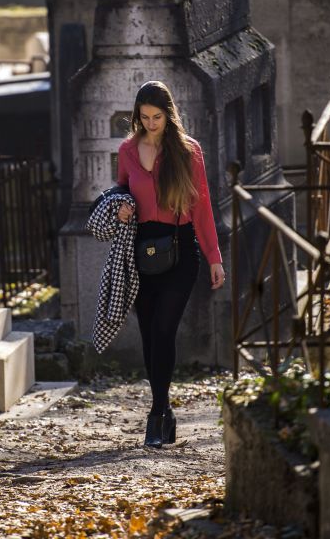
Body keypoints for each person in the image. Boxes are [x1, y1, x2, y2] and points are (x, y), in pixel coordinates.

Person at [115, 80, 225, 448]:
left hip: (180, 251)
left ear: (169, 114)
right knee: (149, 334)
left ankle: (157, 415)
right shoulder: (128, 151)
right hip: (140, 251)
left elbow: (203, 207)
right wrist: (121, 206)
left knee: (164, 329)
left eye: (157, 117)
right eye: (144, 117)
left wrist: (214, 257)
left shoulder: (188, 152)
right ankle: (163, 409)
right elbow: (120, 191)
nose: (150, 123)